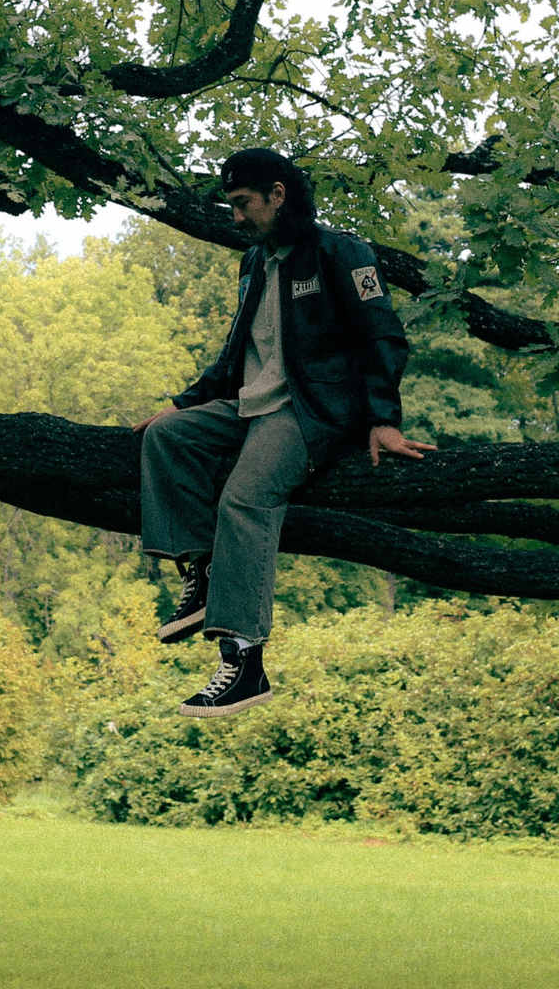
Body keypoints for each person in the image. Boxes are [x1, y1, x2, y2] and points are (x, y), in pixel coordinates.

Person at [134, 149, 435, 716]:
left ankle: (244, 661)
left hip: (313, 412)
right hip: (250, 402)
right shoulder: (254, 262)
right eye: (231, 206)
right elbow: (237, 353)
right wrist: (181, 405)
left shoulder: (343, 253)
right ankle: (200, 574)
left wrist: (383, 419)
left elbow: (384, 338)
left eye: (244, 204)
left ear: (278, 194)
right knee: (166, 438)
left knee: (245, 498)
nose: (236, 218)